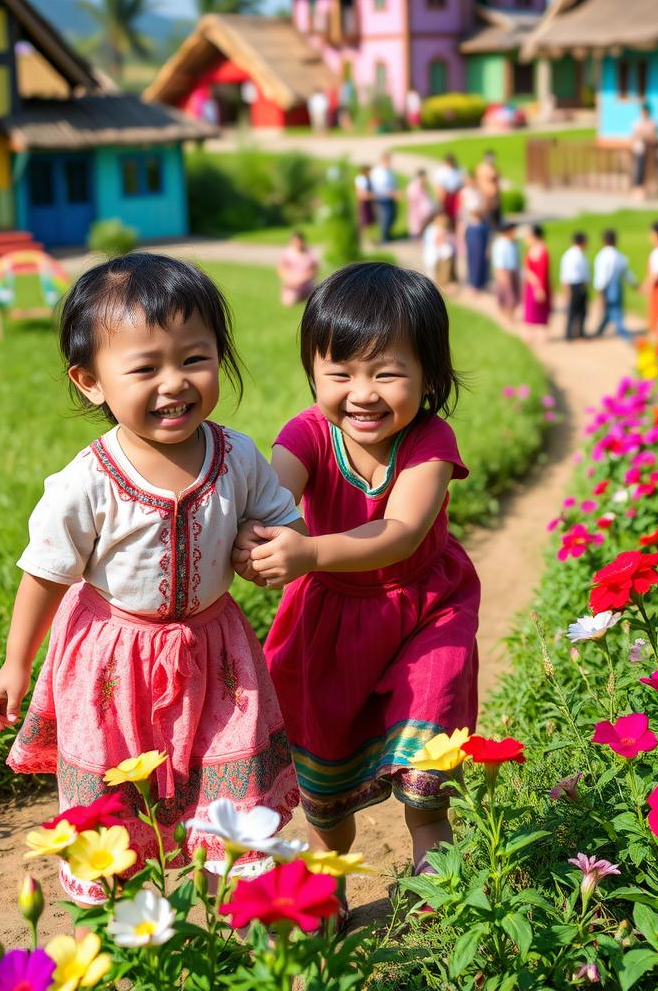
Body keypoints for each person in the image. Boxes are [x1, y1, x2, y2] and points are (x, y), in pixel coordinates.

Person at [0, 254, 302, 903]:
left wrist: (267, 546)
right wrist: (16, 662)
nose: (173, 383)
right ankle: (112, 914)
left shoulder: (236, 455)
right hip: (111, 663)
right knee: (112, 795)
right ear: (91, 381)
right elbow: (44, 574)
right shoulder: (88, 481)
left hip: (216, 656)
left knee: (228, 781)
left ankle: (233, 905)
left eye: (193, 358)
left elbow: (279, 519)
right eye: (144, 367)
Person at [233, 263, 479, 921]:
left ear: (430, 374)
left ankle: (439, 899)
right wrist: (247, 535)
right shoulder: (308, 434)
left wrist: (308, 551)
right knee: (325, 786)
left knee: (427, 776)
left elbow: (400, 533)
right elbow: (270, 497)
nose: (362, 394)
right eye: (340, 374)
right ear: (314, 373)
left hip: (424, 610)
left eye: (387, 372)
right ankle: (328, 895)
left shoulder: (429, 441)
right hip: (328, 622)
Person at [592, 228, 636, 339]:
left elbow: (601, 276)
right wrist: (634, 284)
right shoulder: (619, 256)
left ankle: (622, 333)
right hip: (617, 285)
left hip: (607, 286)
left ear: (603, 242)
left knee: (613, 310)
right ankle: (601, 329)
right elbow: (626, 273)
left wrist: (600, 292)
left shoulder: (602, 256)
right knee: (613, 309)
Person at [559, 231, 590, 340]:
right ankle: (571, 333)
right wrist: (566, 290)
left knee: (581, 310)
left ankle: (578, 332)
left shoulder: (577, 254)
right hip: (575, 285)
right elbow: (566, 274)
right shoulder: (573, 255)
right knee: (575, 310)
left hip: (579, 284)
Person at [522, 224, 551, 335]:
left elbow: (542, 271)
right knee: (530, 309)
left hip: (539, 284)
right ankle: (529, 334)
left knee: (541, 309)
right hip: (530, 284)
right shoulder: (531, 250)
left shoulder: (542, 250)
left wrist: (539, 287)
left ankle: (543, 334)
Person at [277, 231, 319, 306]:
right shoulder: (288, 253)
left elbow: (314, 271)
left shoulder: (309, 253)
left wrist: (301, 279)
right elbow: (281, 269)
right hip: (291, 284)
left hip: (307, 284)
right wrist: (289, 279)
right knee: (289, 301)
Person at [491, 222, 521, 321]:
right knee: (506, 295)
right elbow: (498, 262)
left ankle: (510, 315)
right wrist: (501, 275)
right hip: (504, 271)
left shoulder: (513, 243)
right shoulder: (501, 244)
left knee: (515, 294)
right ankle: (505, 316)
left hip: (513, 270)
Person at [422, 210, 457, 292]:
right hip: (433, 256)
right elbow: (438, 242)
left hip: (433, 255)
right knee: (433, 274)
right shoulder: (435, 230)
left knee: (433, 273)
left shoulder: (432, 228)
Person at [369, 152, 399, 243]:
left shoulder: (388, 171)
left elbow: (393, 183)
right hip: (381, 199)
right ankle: (384, 238)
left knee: (392, 217)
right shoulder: (378, 172)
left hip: (390, 198)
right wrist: (390, 193)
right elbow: (378, 188)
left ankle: (388, 235)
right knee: (385, 218)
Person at [631, 103, 658, 198]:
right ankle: (638, 189)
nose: (644, 113)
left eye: (646, 111)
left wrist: (645, 136)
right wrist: (643, 135)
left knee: (650, 170)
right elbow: (634, 136)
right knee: (639, 168)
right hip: (639, 150)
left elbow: (654, 136)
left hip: (650, 151)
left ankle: (648, 188)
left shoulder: (652, 123)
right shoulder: (637, 123)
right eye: (643, 111)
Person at [464, 197, 490, 293]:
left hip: (479, 250)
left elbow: (487, 239)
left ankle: (477, 284)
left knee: (479, 266)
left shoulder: (482, 227)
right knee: (473, 265)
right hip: (473, 250)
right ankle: (473, 283)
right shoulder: (471, 226)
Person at [431, 153, 464, 225]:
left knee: (456, 213)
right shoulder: (441, 172)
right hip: (446, 195)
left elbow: (462, 182)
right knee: (445, 213)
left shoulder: (458, 170)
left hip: (456, 194)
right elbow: (438, 186)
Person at [405, 169, 436, 238]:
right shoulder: (413, 187)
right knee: (417, 229)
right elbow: (412, 200)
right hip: (417, 213)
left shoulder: (424, 186)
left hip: (425, 214)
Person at [475, 150, 501, 230]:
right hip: (486, 195)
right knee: (486, 216)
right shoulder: (482, 168)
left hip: (494, 196)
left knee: (495, 216)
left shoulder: (494, 167)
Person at [354, 164, 376, 238]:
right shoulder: (361, 180)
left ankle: (369, 238)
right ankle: (362, 238)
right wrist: (371, 196)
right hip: (363, 203)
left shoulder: (368, 179)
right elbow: (361, 194)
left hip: (368, 203)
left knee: (368, 222)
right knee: (363, 221)